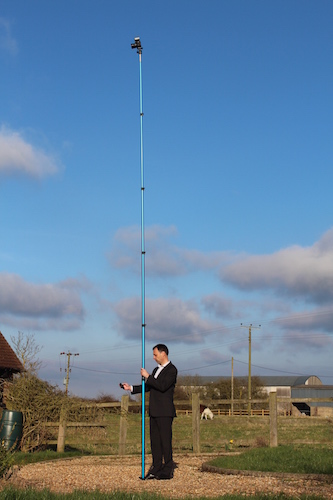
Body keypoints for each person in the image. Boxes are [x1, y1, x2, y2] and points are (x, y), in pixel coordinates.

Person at [121, 343, 177, 480]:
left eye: (155, 354)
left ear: (163, 354)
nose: (153, 357)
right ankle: (156, 468)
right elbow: (149, 387)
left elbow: (162, 386)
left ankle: (167, 469)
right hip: (154, 411)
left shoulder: (172, 370)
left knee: (165, 441)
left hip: (165, 412)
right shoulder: (156, 370)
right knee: (155, 442)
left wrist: (148, 376)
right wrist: (131, 388)